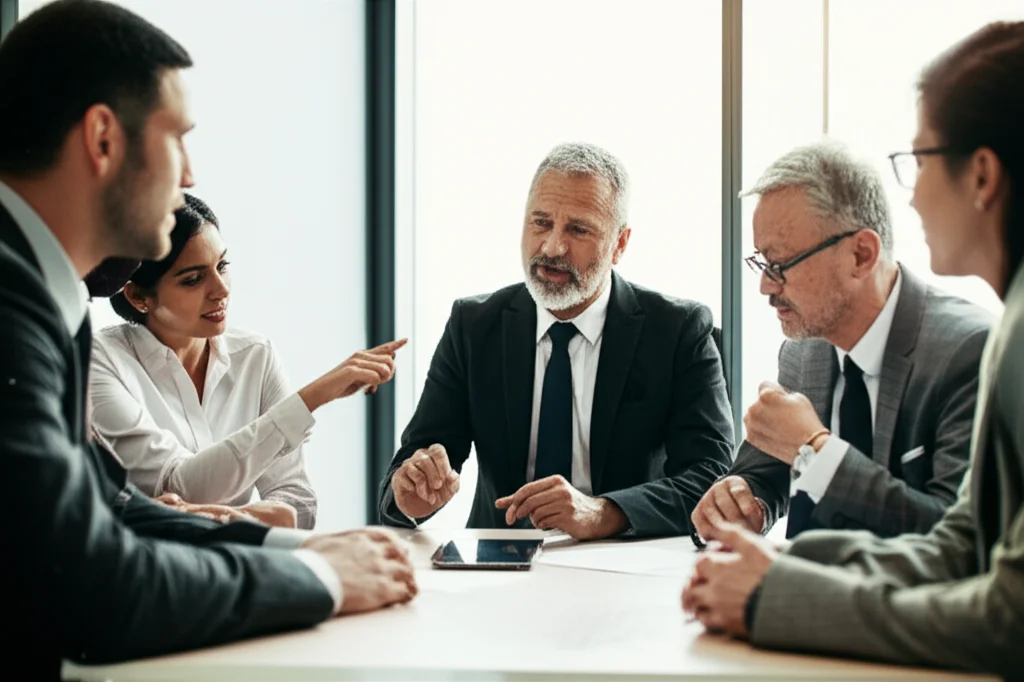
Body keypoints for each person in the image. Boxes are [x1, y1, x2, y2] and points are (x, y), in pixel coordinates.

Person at [0, 2, 415, 677]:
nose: (189, 175)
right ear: (103, 138)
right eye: (176, 138)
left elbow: (112, 509)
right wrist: (323, 583)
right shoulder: (13, 307)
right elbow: (84, 582)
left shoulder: (47, 292)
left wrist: (294, 552)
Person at [682, 21, 1024, 677]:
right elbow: (965, 546)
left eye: (921, 161)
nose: (914, 192)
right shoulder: (803, 353)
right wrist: (752, 521)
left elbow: (997, 596)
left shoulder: (983, 344)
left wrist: (779, 594)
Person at [378, 142, 734, 539]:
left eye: (578, 229)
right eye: (541, 223)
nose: (552, 247)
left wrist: (603, 512)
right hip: (501, 564)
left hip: (627, 563)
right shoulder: (474, 325)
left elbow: (712, 477)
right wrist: (411, 496)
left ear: (620, 243)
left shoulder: (678, 331)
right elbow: (419, 458)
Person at [690, 142, 991, 542]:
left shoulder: (969, 350)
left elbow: (957, 540)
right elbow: (761, 477)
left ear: (861, 255)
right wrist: (745, 503)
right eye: (761, 262)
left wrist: (814, 450)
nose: (765, 286)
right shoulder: (803, 350)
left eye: (779, 265)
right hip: (801, 593)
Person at [86, 193, 405, 530]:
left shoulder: (255, 356)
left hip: (247, 567)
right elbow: (178, 485)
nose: (221, 290)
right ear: (138, 296)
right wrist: (312, 397)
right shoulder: (101, 362)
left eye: (222, 265)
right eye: (193, 279)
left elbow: (297, 505)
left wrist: (206, 517)